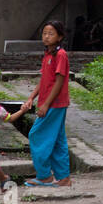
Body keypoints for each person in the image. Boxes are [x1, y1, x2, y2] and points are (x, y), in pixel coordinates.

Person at [25, 20, 71, 187]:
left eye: (51, 34)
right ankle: (64, 177)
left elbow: (59, 82)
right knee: (58, 140)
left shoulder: (61, 55)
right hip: (51, 103)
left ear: (60, 37)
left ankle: (44, 175)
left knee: (36, 135)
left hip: (55, 104)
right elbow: (44, 79)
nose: (46, 37)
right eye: (44, 33)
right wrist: (31, 97)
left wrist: (45, 105)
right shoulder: (48, 55)